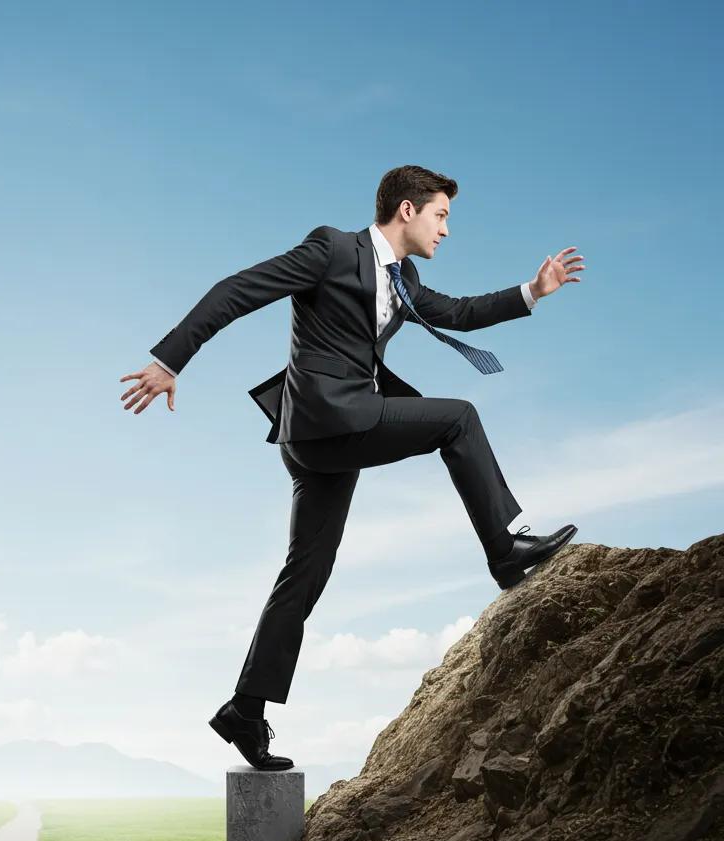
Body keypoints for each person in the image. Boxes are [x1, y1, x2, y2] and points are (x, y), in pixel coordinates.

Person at [119, 165, 584, 771]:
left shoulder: (405, 279)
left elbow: (461, 312)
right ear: (408, 211)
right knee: (458, 419)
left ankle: (246, 710)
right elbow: (238, 289)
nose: (447, 229)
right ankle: (504, 551)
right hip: (327, 420)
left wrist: (532, 290)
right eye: (441, 215)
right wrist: (170, 360)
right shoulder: (332, 249)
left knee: (305, 573)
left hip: (325, 436)